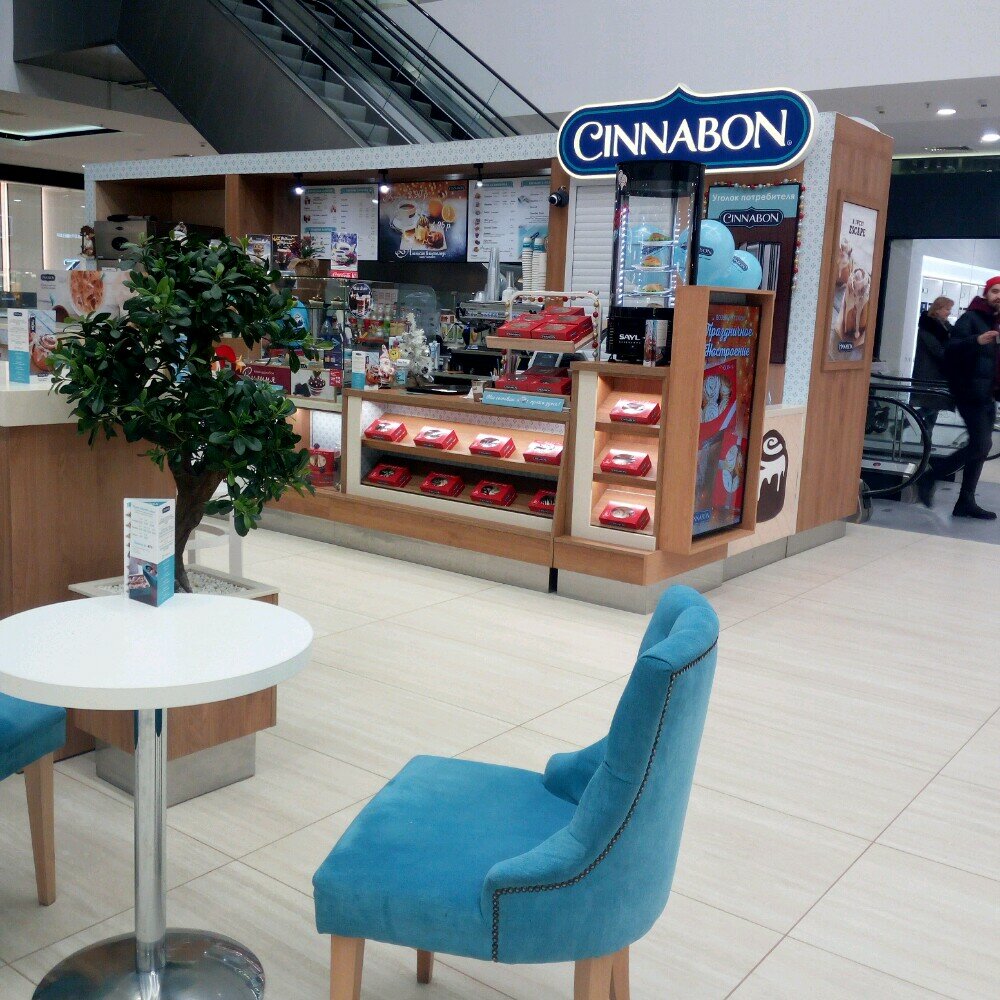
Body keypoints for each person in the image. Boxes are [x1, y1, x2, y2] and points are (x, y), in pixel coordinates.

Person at [918, 276, 1000, 519]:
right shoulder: (971, 318)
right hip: (969, 391)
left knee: (981, 447)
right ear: (986, 293)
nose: (999, 296)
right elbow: (951, 349)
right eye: (995, 291)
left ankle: (965, 501)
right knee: (981, 444)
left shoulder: (996, 322)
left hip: (988, 393)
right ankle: (931, 476)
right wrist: (977, 340)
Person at [910, 296, 954, 437]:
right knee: (933, 405)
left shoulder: (945, 327)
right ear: (937, 309)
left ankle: (926, 440)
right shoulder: (927, 327)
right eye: (947, 309)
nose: (949, 312)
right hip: (929, 374)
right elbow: (937, 350)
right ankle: (904, 423)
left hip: (938, 373)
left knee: (934, 407)